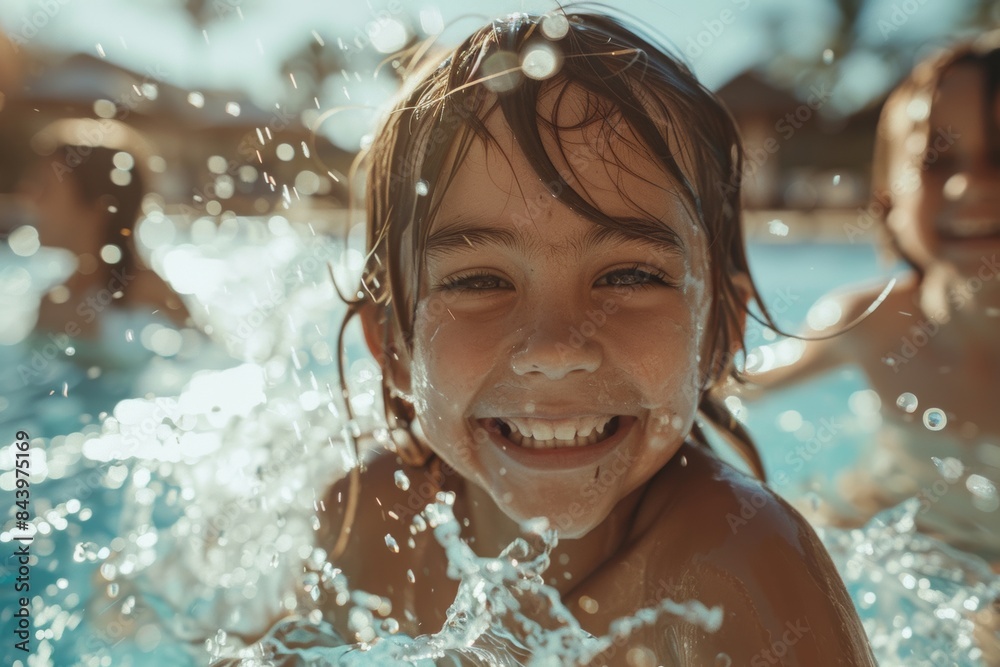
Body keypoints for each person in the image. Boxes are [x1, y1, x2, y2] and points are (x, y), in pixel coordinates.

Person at [312, 11, 875, 665]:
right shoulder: (371, 520)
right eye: (479, 280)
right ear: (394, 348)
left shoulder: (735, 566)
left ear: (718, 330)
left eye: (629, 274)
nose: (555, 348)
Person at [745, 33, 1000, 565]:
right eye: (937, 161)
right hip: (902, 522)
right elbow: (732, 391)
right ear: (888, 196)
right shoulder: (871, 324)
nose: (967, 187)